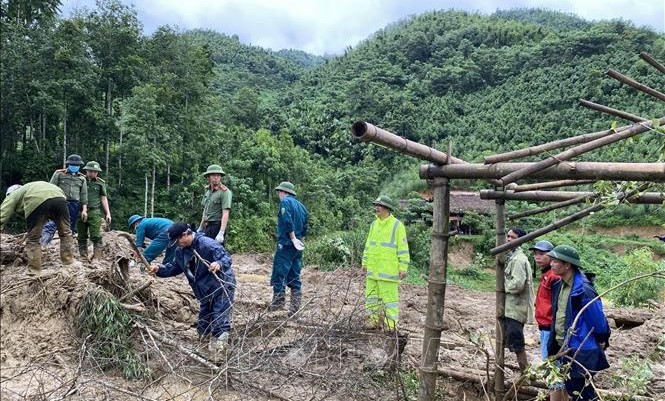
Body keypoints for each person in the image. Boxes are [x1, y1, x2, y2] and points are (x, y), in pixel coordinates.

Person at [147, 222, 235, 357]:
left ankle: (220, 353)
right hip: (203, 289)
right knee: (204, 320)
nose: (177, 244)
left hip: (221, 286)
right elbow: (175, 267)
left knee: (219, 319)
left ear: (184, 235)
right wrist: (159, 270)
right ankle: (203, 350)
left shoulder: (207, 244)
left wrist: (218, 263)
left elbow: (226, 258)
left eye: (178, 241)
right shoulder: (181, 251)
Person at [547, 245, 610, 401]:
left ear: (567, 265)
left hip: (581, 349)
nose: (551, 264)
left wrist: (602, 338)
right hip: (564, 348)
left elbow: (598, 321)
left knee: (582, 393)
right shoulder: (559, 285)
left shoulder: (583, 290)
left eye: (555, 261)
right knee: (570, 389)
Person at [1, 182, 82, 274]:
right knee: (66, 232)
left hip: (38, 200)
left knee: (33, 239)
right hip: (60, 197)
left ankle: (34, 270)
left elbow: (2, 213)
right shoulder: (29, 188)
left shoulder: (14, 194)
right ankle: (69, 263)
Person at [361, 195, 410, 332]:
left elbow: (403, 248)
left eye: (379, 205)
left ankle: (390, 326)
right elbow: (368, 245)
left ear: (387, 208)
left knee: (390, 301)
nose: (377, 208)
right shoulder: (374, 225)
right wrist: (364, 263)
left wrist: (403, 267)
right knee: (371, 298)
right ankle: (373, 321)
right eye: (376, 205)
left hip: (388, 272)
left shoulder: (397, 226)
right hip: (373, 270)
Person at [269, 181, 308, 316]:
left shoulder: (285, 202)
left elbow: (287, 221)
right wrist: (299, 240)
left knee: (280, 273)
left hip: (286, 244)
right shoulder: (302, 207)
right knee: (294, 275)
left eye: (279, 192)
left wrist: (292, 238)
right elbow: (305, 227)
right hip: (298, 246)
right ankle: (294, 308)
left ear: (283, 192)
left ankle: (278, 306)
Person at [503, 227, 535, 371]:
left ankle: (525, 373)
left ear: (520, 240)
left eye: (513, 237)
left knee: (517, 343)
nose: (509, 239)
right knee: (510, 340)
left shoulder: (518, 259)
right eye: (508, 236)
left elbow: (517, 285)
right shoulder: (513, 256)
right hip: (512, 309)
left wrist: (503, 286)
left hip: (515, 309)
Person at [41, 154, 88, 247]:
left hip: (74, 205)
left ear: (79, 166)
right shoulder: (59, 174)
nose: (74, 167)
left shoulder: (82, 178)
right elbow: (50, 188)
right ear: (68, 164)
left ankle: (66, 249)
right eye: (72, 165)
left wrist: (84, 210)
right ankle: (43, 244)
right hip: (60, 202)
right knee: (52, 224)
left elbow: (83, 195)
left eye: (76, 165)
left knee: (68, 228)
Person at [77, 161, 111, 260]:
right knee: (81, 236)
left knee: (96, 236)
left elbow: (103, 198)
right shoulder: (80, 180)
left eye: (95, 172)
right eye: (91, 171)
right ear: (86, 170)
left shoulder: (100, 183)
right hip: (80, 211)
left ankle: (97, 259)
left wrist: (108, 213)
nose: (93, 173)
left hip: (94, 211)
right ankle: (83, 258)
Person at [198, 164, 232, 244]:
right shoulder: (208, 191)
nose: (216, 177)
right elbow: (205, 211)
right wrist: (200, 227)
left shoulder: (225, 192)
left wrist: (221, 232)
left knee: (217, 252)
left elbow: (225, 213)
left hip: (217, 226)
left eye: (218, 175)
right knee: (205, 252)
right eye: (213, 175)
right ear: (208, 177)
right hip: (207, 226)